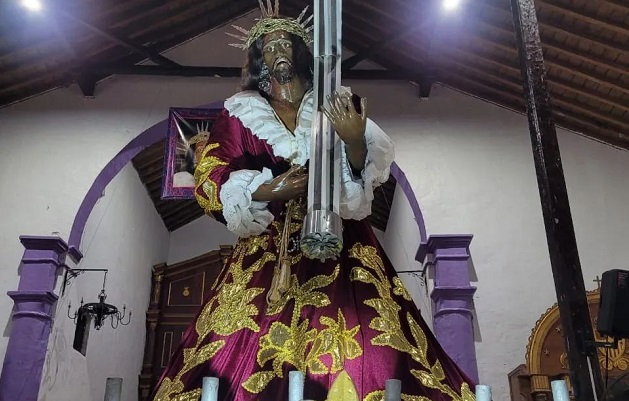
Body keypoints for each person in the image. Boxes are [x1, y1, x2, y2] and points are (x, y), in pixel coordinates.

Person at [152, 3, 475, 401]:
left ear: (304, 53)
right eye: (269, 47)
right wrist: (266, 190)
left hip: (340, 240)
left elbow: (364, 173)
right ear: (258, 60)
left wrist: (355, 139)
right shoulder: (240, 114)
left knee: (378, 353)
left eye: (286, 43)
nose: (279, 51)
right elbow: (209, 176)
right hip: (266, 249)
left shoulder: (333, 102)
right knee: (227, 356)